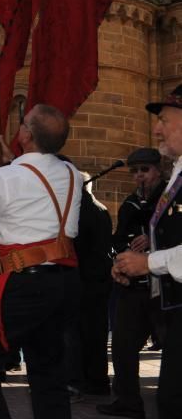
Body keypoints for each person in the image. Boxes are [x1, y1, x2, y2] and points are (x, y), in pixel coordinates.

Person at [0, 104, 82, 419]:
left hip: (26, 282)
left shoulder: (6, 178)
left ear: (26, 135)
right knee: (48, 367)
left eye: (23, 123)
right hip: (63, 282)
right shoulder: (72, 174)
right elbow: (39, 180)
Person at [112, 84, 182, 419]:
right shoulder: (177, 178)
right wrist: (126, 261)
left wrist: (149, 261)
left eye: (165, 120)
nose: (157, 128)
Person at [97, 147, 167, 418]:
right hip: (133, 287)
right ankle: (128, 401)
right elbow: (117, 239)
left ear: (158, 170)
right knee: (124, 345)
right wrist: (120, 258)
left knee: (171, 346)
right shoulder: (129, 203)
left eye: (145, 170)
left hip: (165, 286)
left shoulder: (170, 199)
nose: (139, 176)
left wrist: (153, 239)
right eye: (135, 171)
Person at [62, 167, 112, 400]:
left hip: (83, 280)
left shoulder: (81, 213)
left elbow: (77, 248)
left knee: (77, 334)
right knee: (95, 334)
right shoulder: (101, 209)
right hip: (99, 281)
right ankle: (98, 381)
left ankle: (78, 382)